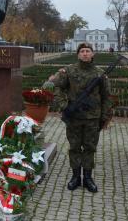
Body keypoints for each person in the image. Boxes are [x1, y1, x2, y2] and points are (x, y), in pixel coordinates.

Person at [49, 43, 111, 193]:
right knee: (75, 147)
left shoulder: (100, 74)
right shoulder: (68, 71)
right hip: (74, 117)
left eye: (87, 51)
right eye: (82, 51)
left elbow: (106, 97)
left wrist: (104, 117)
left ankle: (88, 178)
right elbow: (56, 86)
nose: (85, 53)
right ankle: (76, 177)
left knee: (90, 148)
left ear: (92, 54)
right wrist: (63, 105)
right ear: (78, 54)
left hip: (92, 118)